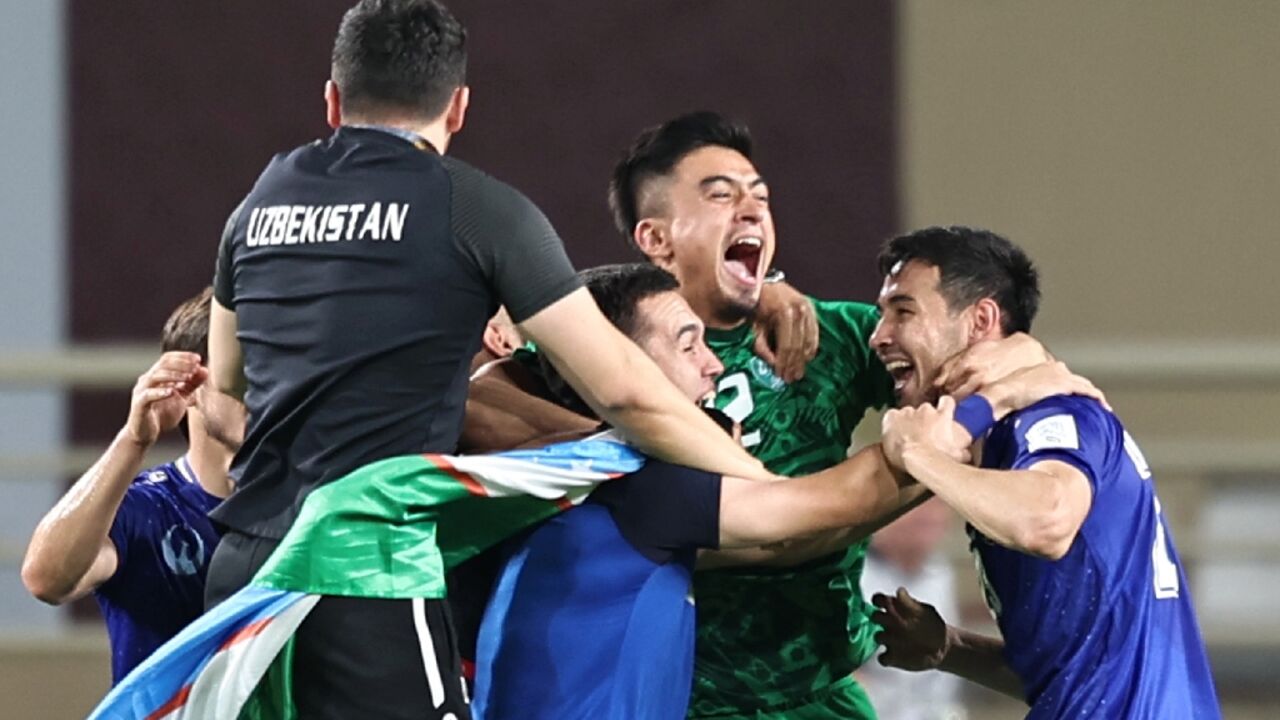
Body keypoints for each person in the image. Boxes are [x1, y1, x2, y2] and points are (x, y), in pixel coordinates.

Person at [205, 3, 768, 719]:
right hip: (364, 567)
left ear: (334, 99)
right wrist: (752, 477)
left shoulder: (259, 203)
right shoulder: (475, 209)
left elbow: (226, 383)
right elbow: (626, 392)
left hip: (245, 572)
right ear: (460, 107)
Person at [470, 263, 1085, 719]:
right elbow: (823, 509)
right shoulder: (637, 481)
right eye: (688, 344)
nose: (714, 365)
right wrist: (990, 404)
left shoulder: (574, 468)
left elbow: (794, 540)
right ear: (615, 369)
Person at [606, 111, 1052, 720]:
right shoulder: (610, 350)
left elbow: (979, 363)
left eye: (759, 196)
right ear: (656, 239)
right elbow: (490, 387)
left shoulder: (833, 335)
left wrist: (1029, 363)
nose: (751, 209)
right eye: (719, 195)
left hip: (824, 693)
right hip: (683, 698)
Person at [871, 226, 1221, 719]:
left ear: (981, 320)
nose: (879, 335)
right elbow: (1071, 675)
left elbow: (1047, 520)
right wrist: (949, 648)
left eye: (903, 311)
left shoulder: (1052, 417)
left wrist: (920, 454)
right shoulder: (1002, 450)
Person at [21, 287, 243, 684]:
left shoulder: (305, 507)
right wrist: (134, 440)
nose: (260, 389)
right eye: (241, 370)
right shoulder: (148, 507)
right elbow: (46, 578)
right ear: (188, 383)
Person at [857, 499, 966, 720]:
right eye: (917, 506)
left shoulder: (940, 574)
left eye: (937, 506)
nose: (928, 517)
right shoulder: (854, 578)